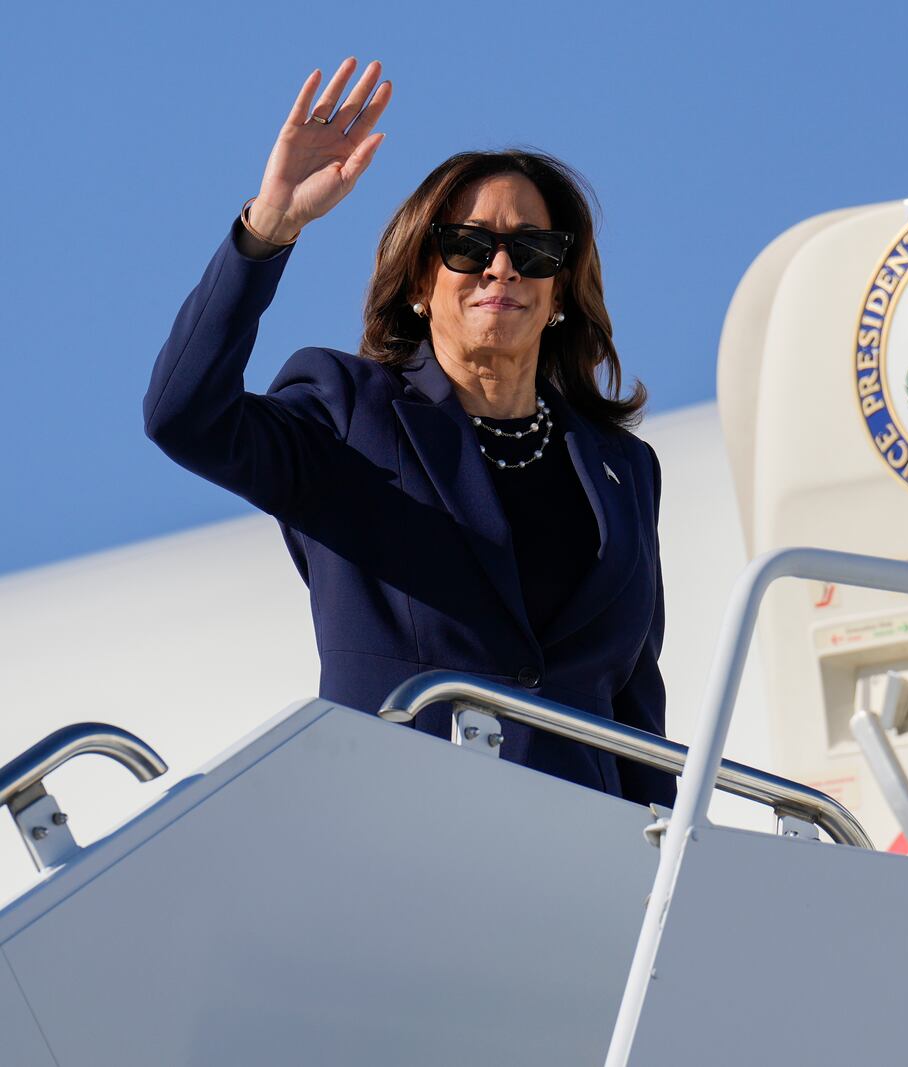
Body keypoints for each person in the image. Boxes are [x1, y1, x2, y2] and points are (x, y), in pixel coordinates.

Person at [143, 56, 673, 807]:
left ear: (559, 289)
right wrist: (269, 227)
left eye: (532, 250)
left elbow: (635, 718)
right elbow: (182, 415)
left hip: (585, 873)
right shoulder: (347, 412)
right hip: (400, 849)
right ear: (422, 281)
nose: (500, 267)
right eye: (468, 245)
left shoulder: (624, 470)